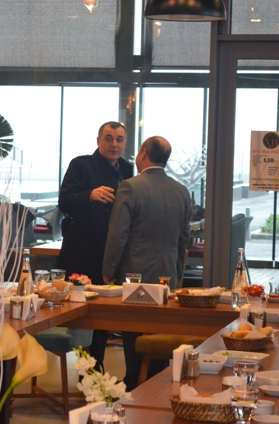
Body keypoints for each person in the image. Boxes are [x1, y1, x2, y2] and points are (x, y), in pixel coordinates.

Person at [102, 135, 191, 390]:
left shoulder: (130, 187)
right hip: (167, 274)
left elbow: (118, 234)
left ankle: (135, 384)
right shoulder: (181, 191)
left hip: (135, 275)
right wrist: (176, 271)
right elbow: (183, 239)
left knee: (134, 333)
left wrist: (108, 270)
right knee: (161, 332)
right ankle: (158, 385)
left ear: (143, 153)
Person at [57, 121, 133, 372]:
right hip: (83, 253)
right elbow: (64, 202)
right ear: (98, 140)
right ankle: (87, 374)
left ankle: (97, 374)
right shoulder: (81, 165)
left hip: (112, 254)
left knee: (104, 317)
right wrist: (90, 195)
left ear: (125, 143)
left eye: (119, 139)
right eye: (108, 138)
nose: (114, 144)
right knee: (84, 317)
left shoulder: (127, 169)